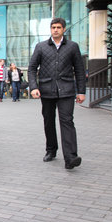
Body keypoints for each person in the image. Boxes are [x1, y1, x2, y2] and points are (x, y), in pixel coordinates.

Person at [28, 17, 86, 170]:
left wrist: (81, 91)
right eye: (53, 27)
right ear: (50, 29)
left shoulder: (73, 47)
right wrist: (33, 87)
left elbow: (79, 70)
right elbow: (32, 68)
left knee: (67, 121)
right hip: (46, 91)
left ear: (64, 29)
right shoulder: (41, 47)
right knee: (49, 121)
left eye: (59, 27)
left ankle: (71, 157)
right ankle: (51, 150)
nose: (55, 30)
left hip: (66, 90)